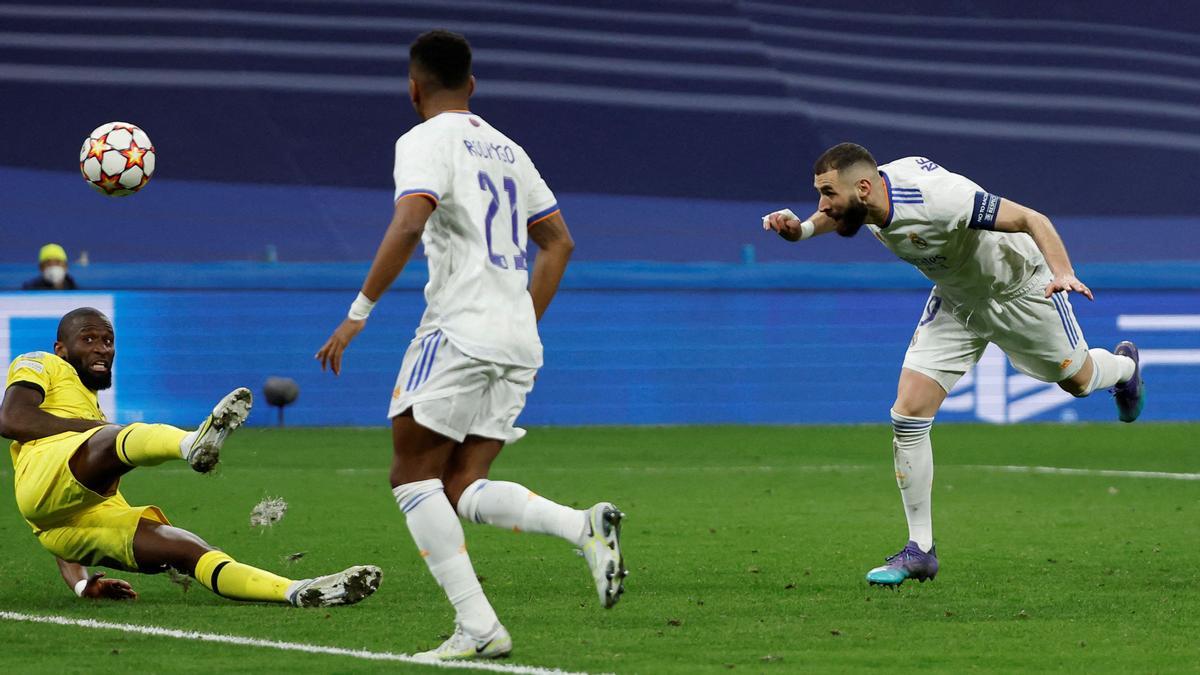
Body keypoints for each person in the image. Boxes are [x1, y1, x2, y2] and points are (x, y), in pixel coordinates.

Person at [316, 29, 626, 661]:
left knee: (410, 476)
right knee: (460, 484)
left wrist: (359, 312)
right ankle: (580, 526)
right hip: (517, 340)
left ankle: (479, 628)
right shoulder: (510, 150)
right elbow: (559, 241)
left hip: (456, 329)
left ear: (414, 85)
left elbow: (410, 218)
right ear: (473, 84)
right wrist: (521, 316)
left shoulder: (423, 140)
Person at [762, 143, 1144, 587]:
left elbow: (1031, 219)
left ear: (863, 187)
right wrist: (802, 231)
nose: (822, 204)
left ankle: (1124, 370)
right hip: (956, 299)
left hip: (1020, 288)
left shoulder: (939, 198)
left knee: (1077, 381)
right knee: (907, 414)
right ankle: (919, 550)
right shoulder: (865, 198)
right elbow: (841, 214)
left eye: (827, 193)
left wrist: (1063, 272)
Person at [0, 307, 381, 606]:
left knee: (187, 548)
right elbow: (12, 418)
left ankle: (295, 590)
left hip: (66, 526)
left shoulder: (94, 415)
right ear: (61, 349)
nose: (102, 348)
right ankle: (191, 445)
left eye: (108, 340)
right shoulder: (41, 363)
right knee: (115, 437)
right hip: (42, 477)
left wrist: (83, 585)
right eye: (88, 339)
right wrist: (96, 431)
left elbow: (59, 501)